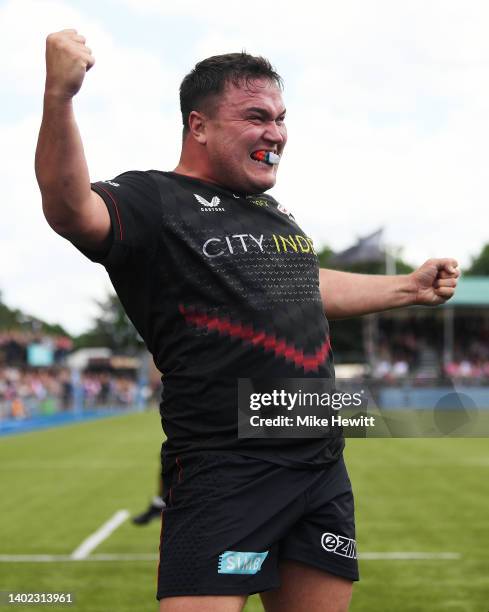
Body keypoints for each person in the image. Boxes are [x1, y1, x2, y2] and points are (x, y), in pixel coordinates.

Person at [35, 30, 459, 612]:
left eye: (282, 119)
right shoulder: (153, 199)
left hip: (319, 466)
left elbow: (305, 287)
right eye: (257, 117)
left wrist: (406, 288)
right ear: (199, 125)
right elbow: (69, 206)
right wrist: (60, 96)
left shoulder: (273, 215)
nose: (277, 133)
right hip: (226, 468)